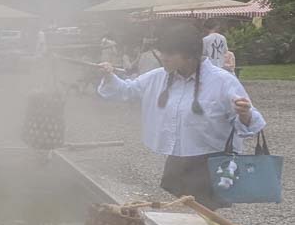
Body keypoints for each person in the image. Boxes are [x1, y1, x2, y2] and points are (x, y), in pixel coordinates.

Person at [98, 24, 265, 208]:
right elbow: (126, 90)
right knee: (172, 212)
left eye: (170, 53)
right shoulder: (159, 77)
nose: (163, 58)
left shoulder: (222, 81)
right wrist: (109, 75)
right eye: (162, 52)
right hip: (177, 160)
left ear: (190, 54)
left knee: (203, 217)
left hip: (209, 162)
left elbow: (251, 124)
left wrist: (245, 114)